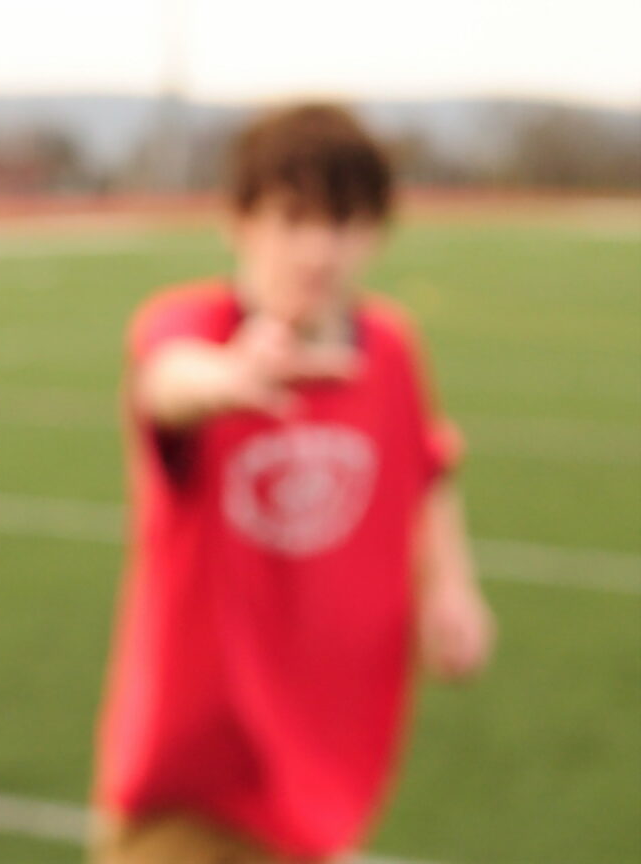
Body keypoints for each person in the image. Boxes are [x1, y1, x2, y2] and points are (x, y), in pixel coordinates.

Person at [91, 104, 495, 864]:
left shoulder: (393, 349)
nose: (318, 248)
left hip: (324, 760)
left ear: (376, 230)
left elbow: (429, 470)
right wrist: (228, 376)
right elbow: (165, 383)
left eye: (343, 221)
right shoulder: (193, 326)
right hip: (196, 776)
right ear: (240, 222)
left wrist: (451, 586)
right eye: (293, 217)